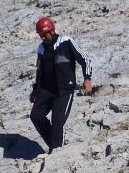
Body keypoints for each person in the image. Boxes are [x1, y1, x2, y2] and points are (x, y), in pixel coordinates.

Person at [29, 17, 93, 152]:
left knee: (57, 121)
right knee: (36, 116)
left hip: (64, 90)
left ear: (52, 31)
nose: (43, 38)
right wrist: (35, 90)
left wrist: (87, 79)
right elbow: (40, 71)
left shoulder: (66, 41)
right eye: (40, 35)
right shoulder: (41, 48)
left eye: (44, 34)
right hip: (46, 90)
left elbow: (85, 59)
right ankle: (53, 143)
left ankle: (57, 150)